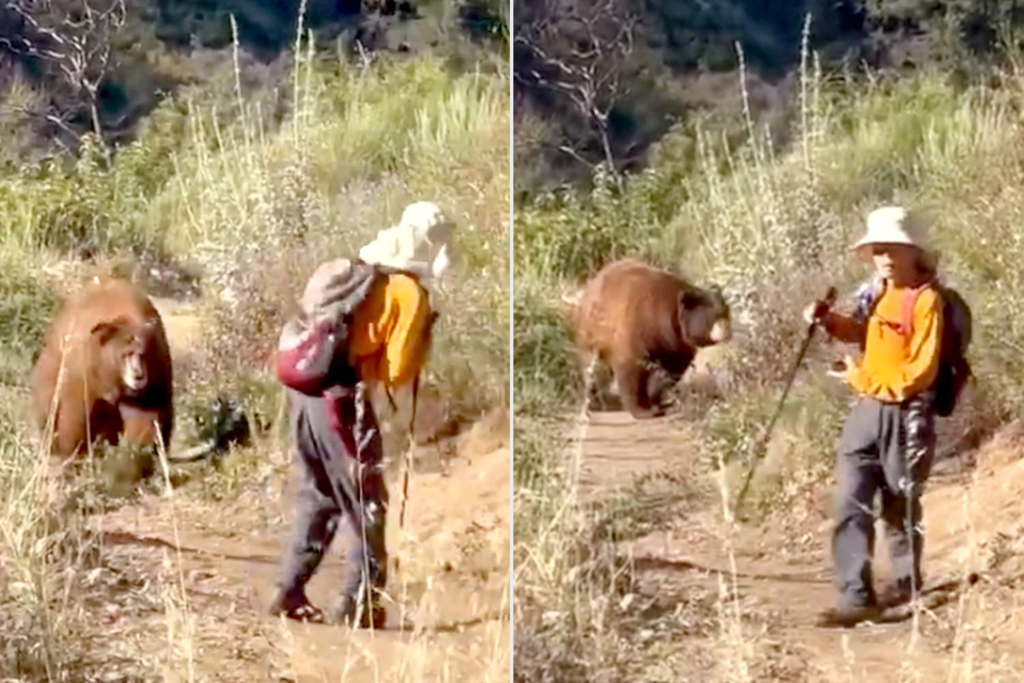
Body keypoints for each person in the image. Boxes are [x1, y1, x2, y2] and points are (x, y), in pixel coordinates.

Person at [269, 255, 435, 628]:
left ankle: (289, 590)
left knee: (321, 494)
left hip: (303, 391)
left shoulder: (357, 277)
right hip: (340, 400)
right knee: (368, 500)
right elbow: (396, 371)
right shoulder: (407, 292)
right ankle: (360, 606)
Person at [804, 206, 944, 627]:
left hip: (904, 417)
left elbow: (919, 374)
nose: (883, 257)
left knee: (899, 507)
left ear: (912, 252)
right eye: (877, 249)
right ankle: (855, 596)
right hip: (867, 413)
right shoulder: (876, 291)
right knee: (850, 501)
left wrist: (861, 378)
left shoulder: (926, 301)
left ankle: (907, 589)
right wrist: (827, 320)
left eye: (891, 249)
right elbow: (861, 331)